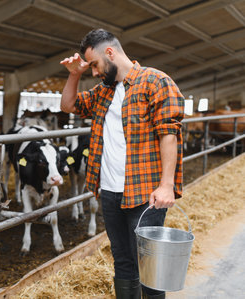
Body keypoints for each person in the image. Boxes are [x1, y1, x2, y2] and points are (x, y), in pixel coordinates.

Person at [60, 29, 184, 299]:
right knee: (123, 262)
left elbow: (169, 135)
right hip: (109, 191)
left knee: (150, 266)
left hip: (145, 194)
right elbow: (68, 105)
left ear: (110, 53)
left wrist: (166, 186)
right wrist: (74, 74)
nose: (93, 72)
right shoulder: (103, 91)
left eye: (93, 65)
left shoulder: (155, 81)